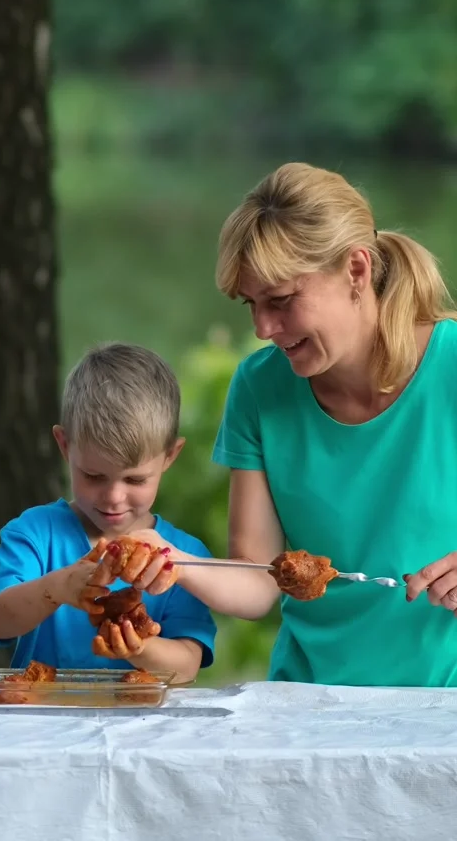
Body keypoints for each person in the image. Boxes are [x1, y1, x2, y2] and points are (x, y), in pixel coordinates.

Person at [126, 162, 457, 688]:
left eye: (280, 302)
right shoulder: (260, 388)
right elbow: (258, 580)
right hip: (309, 705)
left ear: (356, 270)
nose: (262, 329)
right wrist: (172, 560)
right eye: (251, 305)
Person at [0, 343, 216, 679]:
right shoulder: (35, 533)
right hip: (42, 721)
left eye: (135, 479)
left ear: (170, 456)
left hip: (142, 726)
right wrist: (57, 587)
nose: (113, 497)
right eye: (93, 476)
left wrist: (139, 647)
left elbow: (188, 666)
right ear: (64, 446)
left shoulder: (181, 557)